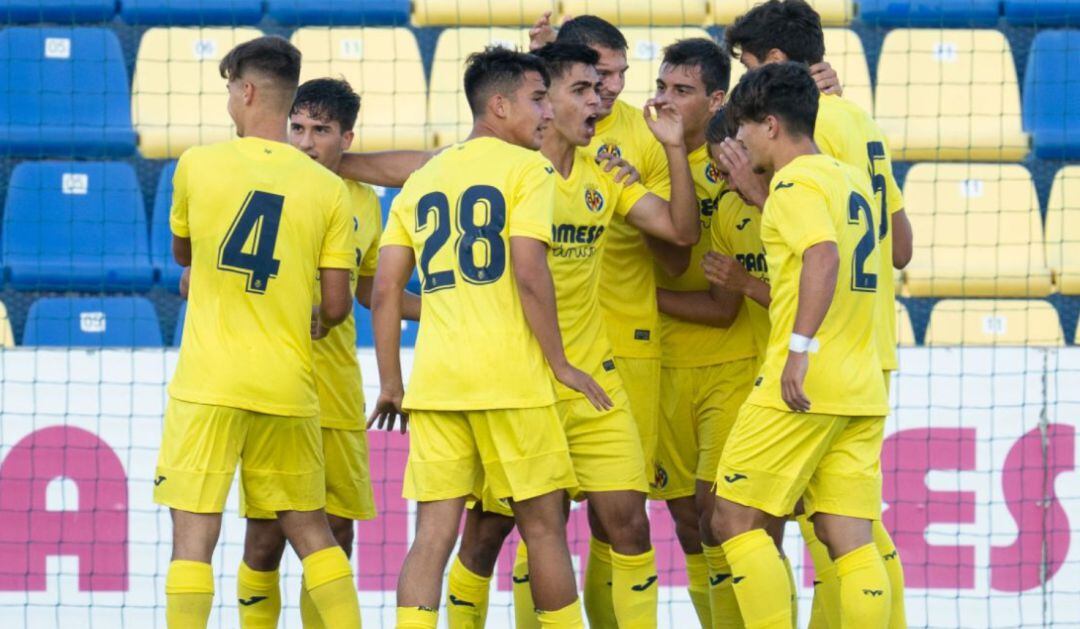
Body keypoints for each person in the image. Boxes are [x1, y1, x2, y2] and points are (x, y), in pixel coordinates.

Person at [443, 41, 701, 629]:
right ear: (544, 102)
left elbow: (681, 232)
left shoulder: (603, 175)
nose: (599, 99)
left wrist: (674, 151)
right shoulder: (505, 174)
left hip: (593, 382)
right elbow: (421, 171)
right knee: (489, 534)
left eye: (599, 87)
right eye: (581, 90)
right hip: (520, 384)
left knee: (629, 524)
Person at [368, 46, 607, 629]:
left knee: (432, 535)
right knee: (543, 530)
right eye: (537, 99)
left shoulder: (423, 178)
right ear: (498, 105)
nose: (547, 112)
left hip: (438, 384)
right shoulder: (529, 170)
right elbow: (529, 272)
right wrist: (560, 363)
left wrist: (391, 383)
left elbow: (385, 290)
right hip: (512, 381)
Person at [153, 36, 362, 629]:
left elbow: (184, 256)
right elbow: (337, 304)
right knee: (314, 533)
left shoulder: (197, 164)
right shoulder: (327, 188)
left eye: (229, 89)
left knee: (193, 540)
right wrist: (308, 313)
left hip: (208, 383)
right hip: (286, 384)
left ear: (245, 91)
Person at [721, 2, 912, 625]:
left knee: (733, 517)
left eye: (746, 125)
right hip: (865, 367)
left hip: (807, 373)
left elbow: (821, 253)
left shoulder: (796, 177)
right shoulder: (855, 146)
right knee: (850, 534)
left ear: (772, 120)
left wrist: (798, 348)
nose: (740, 137)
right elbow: (899, 247)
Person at [232, 77, 421, 629]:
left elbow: (369, 291)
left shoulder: (362, 201)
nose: (305, 142)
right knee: (266, 536)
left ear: (347, 138)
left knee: (338, 530)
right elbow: (202, 277)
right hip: (272, 382)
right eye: (297, 127)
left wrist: (448, 307)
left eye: (321, 130)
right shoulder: (260, 184)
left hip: (336, 389)